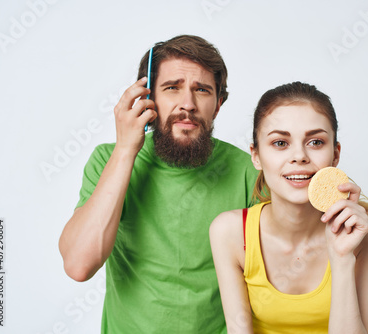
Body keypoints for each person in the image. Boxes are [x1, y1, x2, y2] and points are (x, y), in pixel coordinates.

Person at [58, 35, 258, 333]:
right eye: (172, 88)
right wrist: (126, 150)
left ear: (217, 104)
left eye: (201, 90)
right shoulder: (107, 160)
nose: (187, 104)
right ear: (148, 98)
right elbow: (78, 265)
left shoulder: (249, 170)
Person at [210, 82, 368, 333]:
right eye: (280, 143)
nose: (299, 156)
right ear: (256, 156)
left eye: (315, 142)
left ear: (335, 155)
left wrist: (341, 257)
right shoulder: (230, 232)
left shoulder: (367, 228)